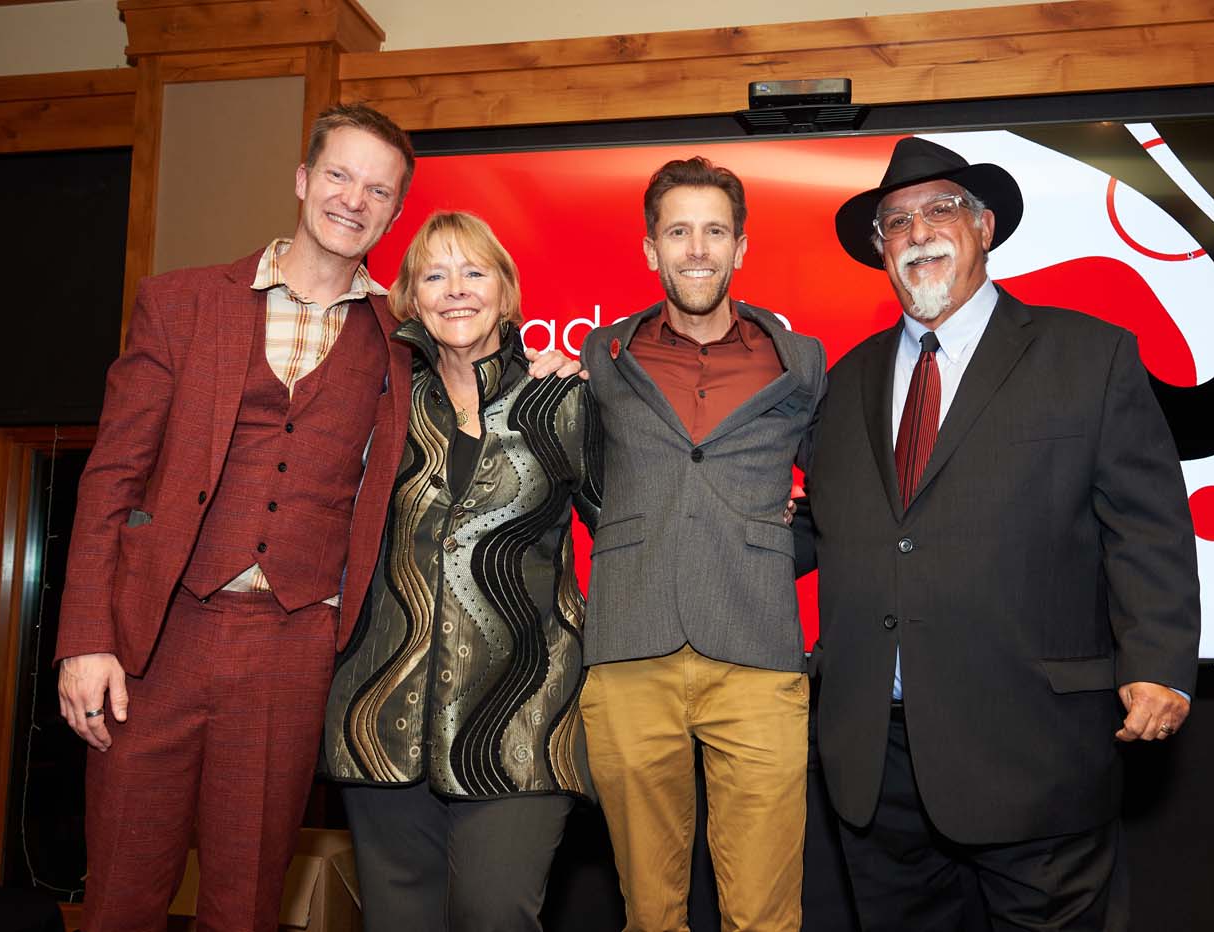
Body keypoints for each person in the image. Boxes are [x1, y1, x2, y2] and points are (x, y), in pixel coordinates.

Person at [52, 105, 573, 930]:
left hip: (293, 651)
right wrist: (87, 638)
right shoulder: (181, 303)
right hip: (157, 637)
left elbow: (481, 387)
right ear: (302, 181)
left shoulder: (400, 345)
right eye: (338, 176)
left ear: (393, 214)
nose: (352, 200)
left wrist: (546, 362)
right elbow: (110, 478)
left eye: (378, 190)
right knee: (121, 887)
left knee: (248, 898)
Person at [803, 135, 1202, 931]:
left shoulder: (1089, 356)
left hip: (1034, 749)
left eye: (939, 210)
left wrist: (1159, 662)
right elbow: (830, 526)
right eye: (895, 222)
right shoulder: (845, 381)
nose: (917, 233)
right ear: (881, 249)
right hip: (877, 766)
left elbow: (1147, 524)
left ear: (984, 226)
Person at [321, 211, 602, 932]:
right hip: (382, 713)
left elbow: (629, 538)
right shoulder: (383, 404)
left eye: (474, 272)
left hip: (523, 716)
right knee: (399, 920)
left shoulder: (562, 401)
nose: (455, 291)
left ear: (506, 293)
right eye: (434, 275)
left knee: (494, 909)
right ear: (409, 297)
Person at [578, 156, 826, 932]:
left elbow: (851, 496)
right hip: (628, 650)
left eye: (714, 231)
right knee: (649, 914)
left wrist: (784, 545)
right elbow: (579, 481)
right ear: (650, 249)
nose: (696, 249)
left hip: (756, 651)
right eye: (678, 231)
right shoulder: (599, 358)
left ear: (741, 246)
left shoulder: (801, 362)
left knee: (765, 916)